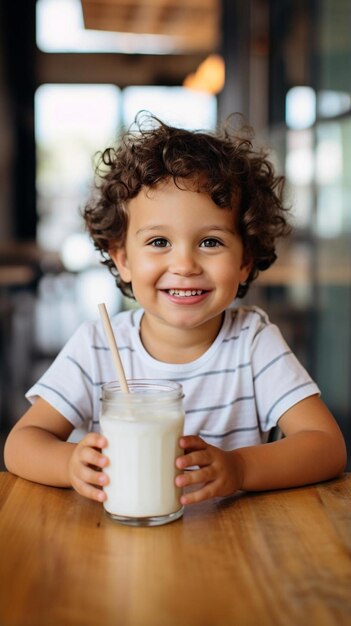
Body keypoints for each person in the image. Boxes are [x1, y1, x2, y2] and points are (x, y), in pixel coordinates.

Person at [4, 113, 346, 506]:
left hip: (236, 549)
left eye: (211, 242)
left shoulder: (252, 342)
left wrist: (239, 468)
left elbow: (326, 446)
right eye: (159, 242)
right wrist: (68, 464)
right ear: (122, 259)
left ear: (245, 260)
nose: (185, 265)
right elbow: (20, 444)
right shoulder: (100, 343)